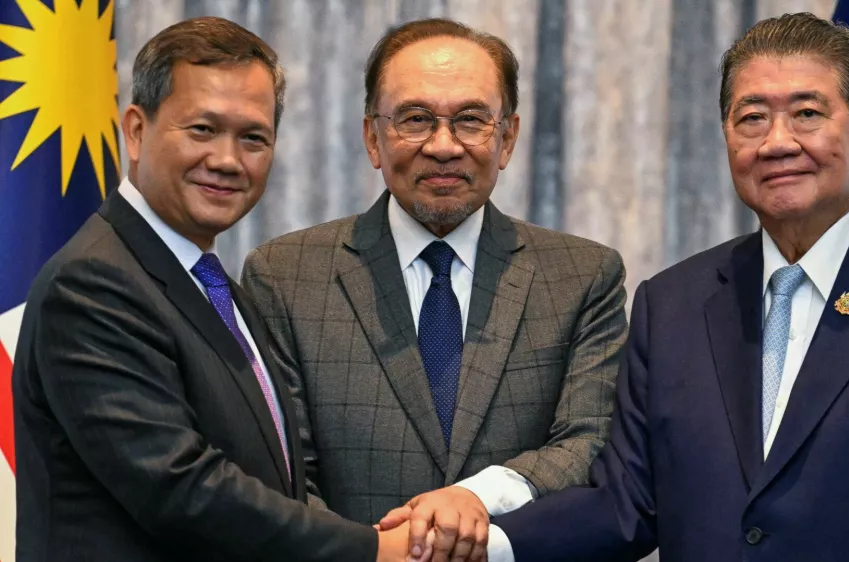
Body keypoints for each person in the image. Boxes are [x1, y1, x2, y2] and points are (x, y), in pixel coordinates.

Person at [490, 12, 849, 562]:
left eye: (807, 114)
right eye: (751, 118)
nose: (777, 142)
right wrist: (483, 542)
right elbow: (625, 504)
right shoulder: (672, 305)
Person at [13, 16, 414, 562]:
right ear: (135, 130)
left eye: (253, 137)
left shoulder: (214, 283)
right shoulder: (94, 283)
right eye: (202, 129)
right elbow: (182, 489)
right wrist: (373, 549)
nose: (227, 160)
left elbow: (269, 471)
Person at [241, 18, 627, 562]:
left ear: (508, 138)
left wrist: (474, 495)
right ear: (373, 137)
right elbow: (282, 470)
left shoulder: (584, 274)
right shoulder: (283, 274)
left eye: (471, 120)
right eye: (416, 119)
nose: (443, 146)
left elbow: (591, 440)